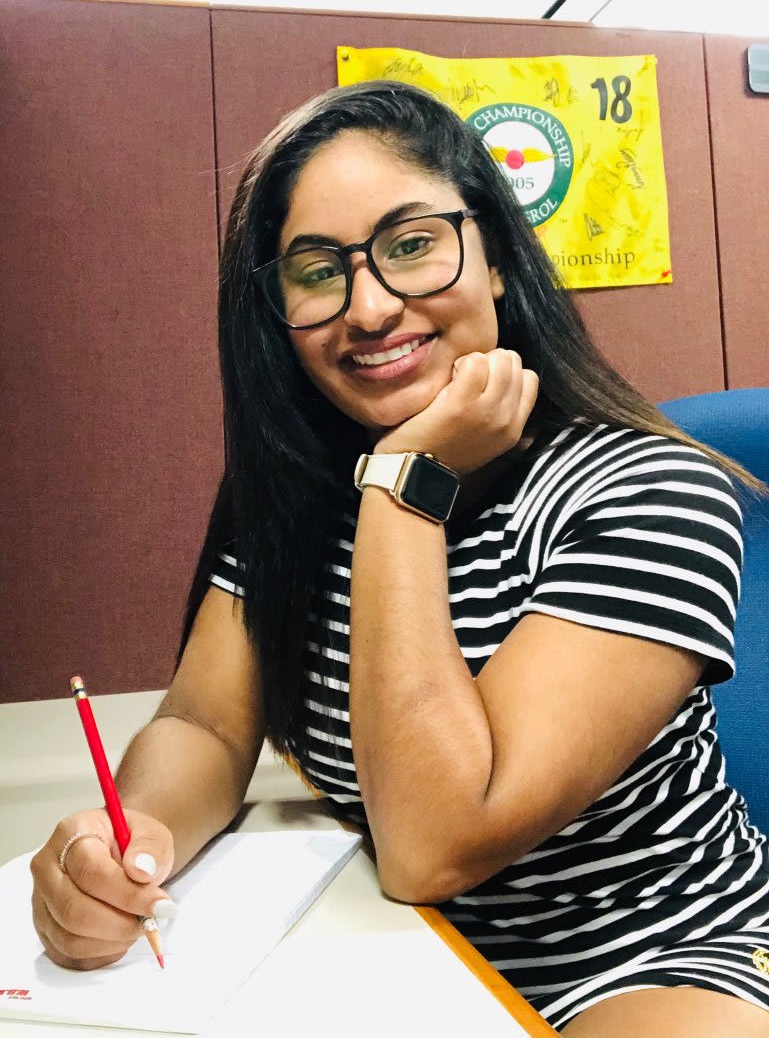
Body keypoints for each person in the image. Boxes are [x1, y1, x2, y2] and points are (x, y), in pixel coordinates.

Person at [30, 80, 769, 1035]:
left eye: (412, 245)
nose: (371, 307)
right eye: (315, 271)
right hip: (387, 947)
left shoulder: (648, 490)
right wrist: (132, 839)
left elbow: (437, 842)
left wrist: (403, 488)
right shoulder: (290, 490)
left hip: (654, 954)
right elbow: (206, 723)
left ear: (494, 258)